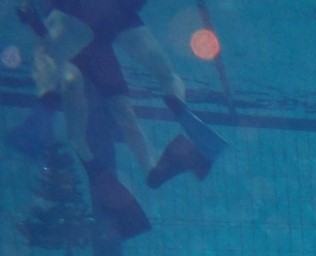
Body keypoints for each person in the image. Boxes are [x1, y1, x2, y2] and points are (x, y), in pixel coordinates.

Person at [11, 0, 224, 235]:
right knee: (142, 92)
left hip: (79, 26)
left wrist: (28, 15)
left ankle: (80, 147)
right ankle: (153, 160)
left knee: (75, 96)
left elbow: (41, 31)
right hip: (114, 21)